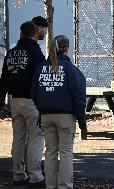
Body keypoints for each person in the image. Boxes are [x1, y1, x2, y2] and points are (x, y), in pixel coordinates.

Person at [31, 35, 86, 189]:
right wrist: (82, 120)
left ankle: (50, 185)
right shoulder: (71, 70)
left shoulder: (41, 68)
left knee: (50, 152)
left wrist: (42, 109)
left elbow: (34, 93)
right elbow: (79, 97)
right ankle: (65, 186)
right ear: (66, 49)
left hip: (46, 116)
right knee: (66, 153)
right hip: (65, 116)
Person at [0, 21, 46, 187]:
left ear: (20, 34)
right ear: (35, 35)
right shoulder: (35, 53)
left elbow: (3, 79)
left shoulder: (10, 53)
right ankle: (35, 176)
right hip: (32, 101)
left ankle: (18, 175)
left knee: (18, 138)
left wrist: (1, 100)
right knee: (36, 137)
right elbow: (41, 78)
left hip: (15, 102)